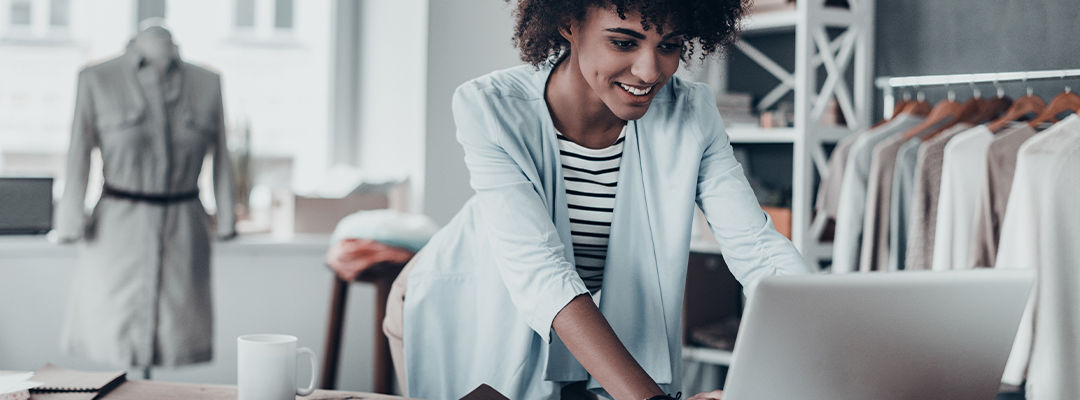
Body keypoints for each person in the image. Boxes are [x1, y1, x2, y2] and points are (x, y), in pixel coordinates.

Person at [383, 1, 811, 399]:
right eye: (623, 42)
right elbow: (541, 272)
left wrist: (831, 338)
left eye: (670, 45)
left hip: (580, 317)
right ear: (569, 23)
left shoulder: (691, 113)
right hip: (462, 303)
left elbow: (757, 248)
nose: (648, 71)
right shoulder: (490, 107)